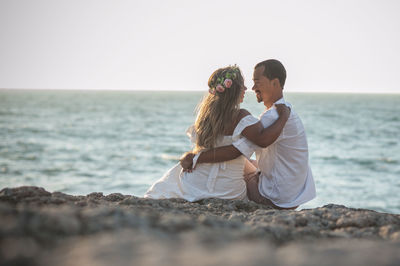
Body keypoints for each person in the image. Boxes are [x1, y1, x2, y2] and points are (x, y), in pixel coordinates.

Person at [180, 59, 316, 209]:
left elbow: (235, 151)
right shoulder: (284, 109)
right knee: (249, 162)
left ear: (275, 83)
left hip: (276, 198)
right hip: (294, 193)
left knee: (238, 161)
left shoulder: (274, 116)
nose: (251, 87)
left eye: (257, 82)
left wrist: (196, 158)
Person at [144, 65, 290, 201]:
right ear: (234, 90)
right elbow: (263, 140)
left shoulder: (204, 116)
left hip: (193, 185)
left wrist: (195, 157)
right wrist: (283, 115)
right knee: (257, 173)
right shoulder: (241, 116)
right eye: (242, 85)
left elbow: (221, 149)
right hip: (227, 192)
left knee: (170, 182)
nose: (246, 88)